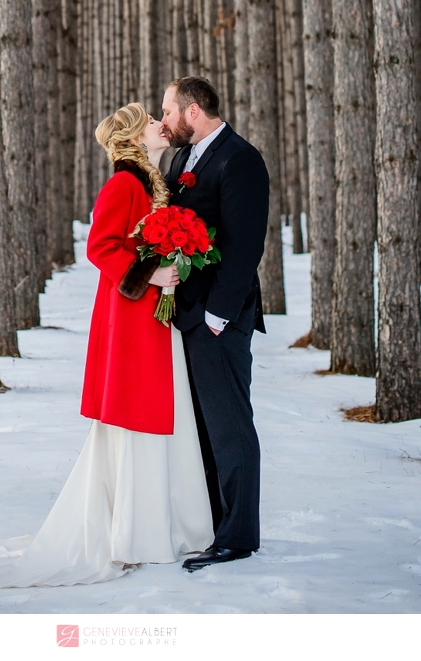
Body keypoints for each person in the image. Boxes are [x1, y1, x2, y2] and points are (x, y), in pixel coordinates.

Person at [0, 103, 212, 590]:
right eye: (152, 121)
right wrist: (150, 274)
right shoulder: (123, 184)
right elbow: (100, 246)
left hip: (152, 316)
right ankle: (137, 531)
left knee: (160, 408)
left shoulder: (152, 183)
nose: (162, 123)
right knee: (140, 409)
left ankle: (162, 524)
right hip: (131, 316)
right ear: (135, 139)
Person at [161, 76, 269, 572]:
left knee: (230, 425)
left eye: (168, 111)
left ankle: (238, 536)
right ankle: (214, 525)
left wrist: (217, 316)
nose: (164, 121)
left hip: (220, 318)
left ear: (193, 110)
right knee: (204, 426)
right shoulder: (182, 158)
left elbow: (245, 247)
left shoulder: (239, 158)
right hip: (188, 316)